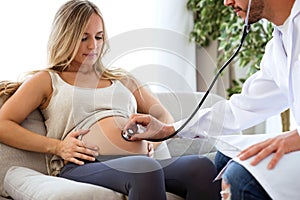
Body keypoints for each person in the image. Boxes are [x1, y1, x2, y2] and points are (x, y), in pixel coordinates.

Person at [0, 0, 221, 199]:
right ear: (66, 37)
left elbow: (163, 115)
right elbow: (3, 124)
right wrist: (57, 147)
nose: (93, 46)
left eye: (98, 37)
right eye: (83, 38)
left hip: (141, 162)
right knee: (144, 169)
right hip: (83, 165)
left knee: (200, 167)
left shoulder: (121, 78)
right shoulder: (48, 80)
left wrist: (155, 139)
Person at [124, 0, 300, 199]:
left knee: (240, 178)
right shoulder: (279, 44)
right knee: (225, 156)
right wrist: (170, 129)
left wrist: (295, 137)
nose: (227, 2)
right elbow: (241, 109)